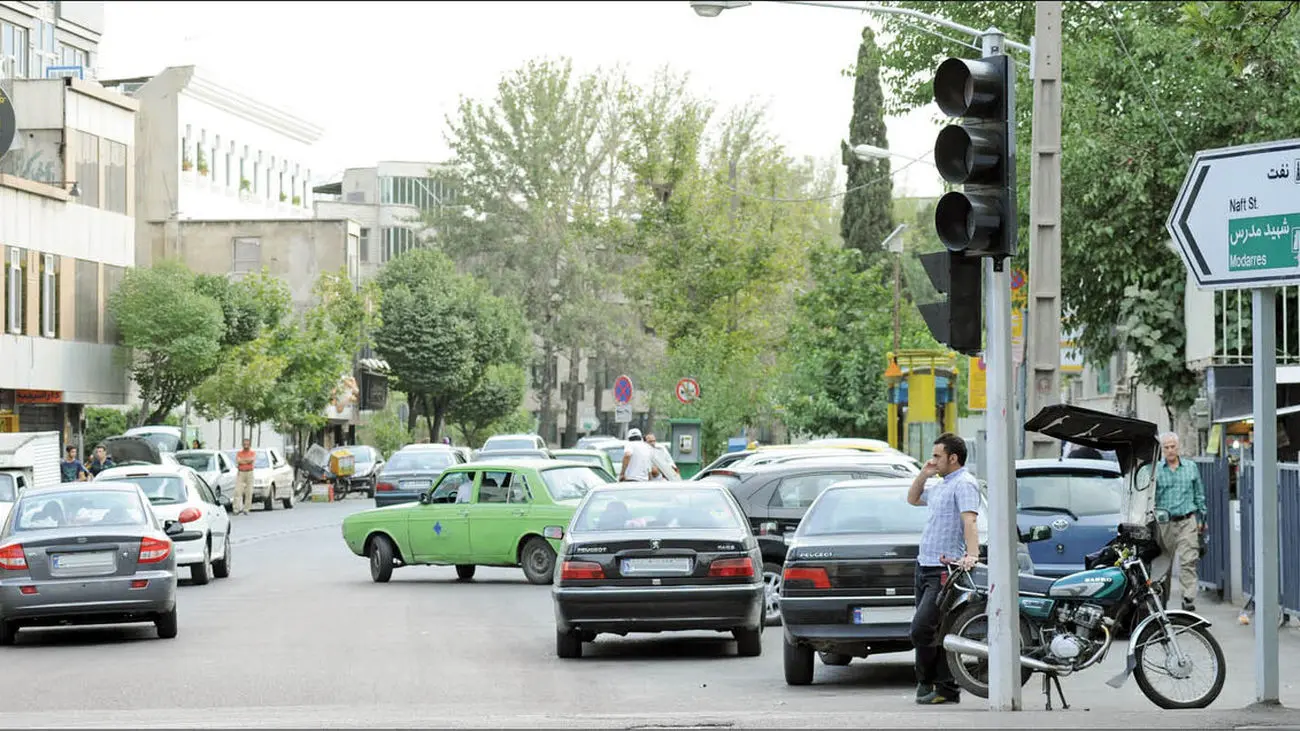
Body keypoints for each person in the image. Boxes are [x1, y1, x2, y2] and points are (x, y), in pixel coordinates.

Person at [906, 432, 981, 705]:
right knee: (932, 629)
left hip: (944, 569)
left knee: (921, 628)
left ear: (954, 458)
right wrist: (924, 474)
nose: (933, 460)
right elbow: (912, 499)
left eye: (938, 456)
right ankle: (941, 688)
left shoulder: (964, 483)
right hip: (923, 565)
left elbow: (969, 521)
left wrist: (972, 555)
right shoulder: (940, 484)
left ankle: (930, 683)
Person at [1151, 431, 1206, 611]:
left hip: (1187, 520)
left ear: (1178, 447)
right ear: (1162, 450)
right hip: (1165, 523)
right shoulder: (1157, 470)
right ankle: (1162, 600)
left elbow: (1199, 494)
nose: (1170, 450)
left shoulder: (1190, 467)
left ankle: (1188, 599)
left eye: (1172, 446)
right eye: (1166, 447)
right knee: (1164, 564)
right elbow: (1152, 498)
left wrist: (1202, 518)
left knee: (1189, 560)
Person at [234, 438, 257, 515]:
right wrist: (246, 461)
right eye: (244, 444)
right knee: (238, 491)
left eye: (247, 444)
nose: (246, 445)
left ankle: (246, 509)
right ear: (242, 445)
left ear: (249, 445)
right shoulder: (239, 453)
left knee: (249, 491)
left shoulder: (252, 453)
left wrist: (244, 461)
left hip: (249, 473)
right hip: (241, 473)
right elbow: (238, 461)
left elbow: (251, 460)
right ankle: (236, 509)